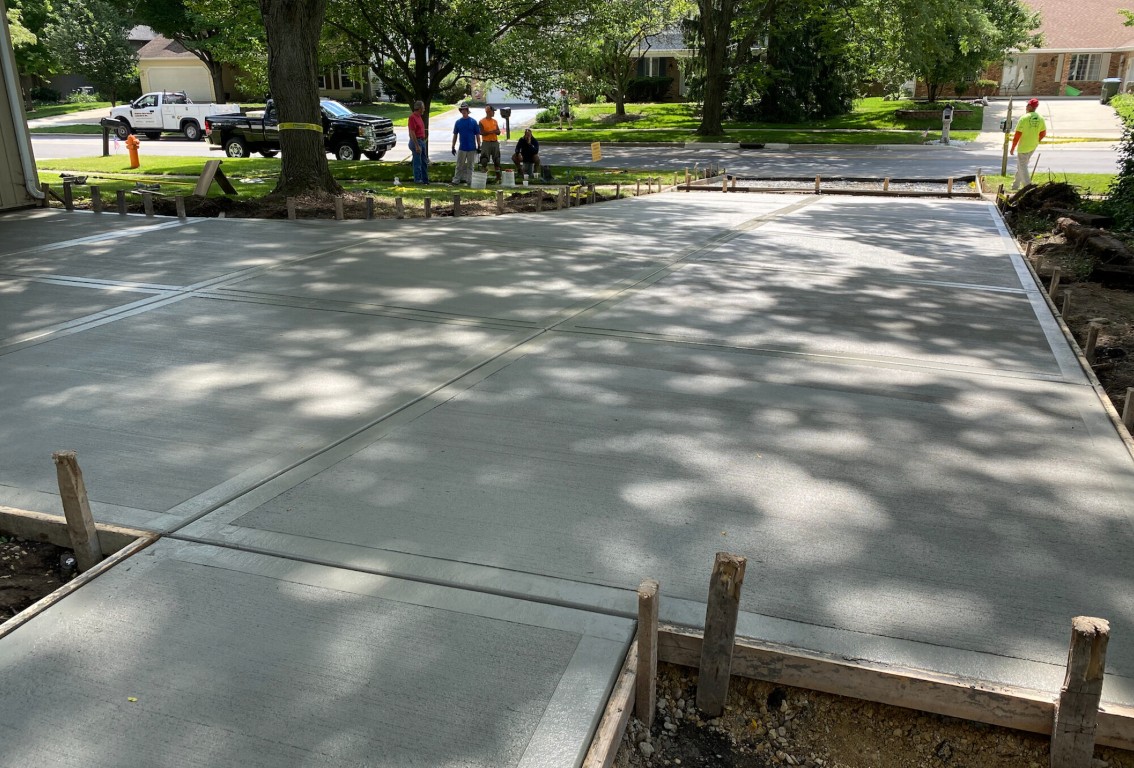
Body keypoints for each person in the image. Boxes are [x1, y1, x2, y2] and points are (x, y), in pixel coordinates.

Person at [1010, 98, 1047, 190]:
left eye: (1027, 105)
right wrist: (1036, 140)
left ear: (1030, 107)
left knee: (1022, 166)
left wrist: (1013, 147)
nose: (1026, 107)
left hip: (1023, 147)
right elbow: (1043, 133)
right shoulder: (1041, 118)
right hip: (1033, 146)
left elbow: (1017, 135)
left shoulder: (1024, 118)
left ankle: (1028, 187)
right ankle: (1015, 186)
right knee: (1021, 165)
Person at [450, 102, 480, 184]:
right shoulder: (458, 122)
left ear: (467, 110)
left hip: (472, 148)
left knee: (470, 166)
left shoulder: (473, 122)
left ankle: (470, 181)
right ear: (461, 111)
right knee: (459, 165)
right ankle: (456, 180)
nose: (463, 111)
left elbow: (477, 135)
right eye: (462, 110)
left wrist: (479, 146)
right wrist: (453, 146)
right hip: (462, 147)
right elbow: (455, 135)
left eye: (465, 110)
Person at [478, 105, 504, 182]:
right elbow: (482, 133)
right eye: (493, 111)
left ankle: (498, 177)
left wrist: (495, 132)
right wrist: (492, 132)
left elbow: (498, 132)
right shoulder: (482, 121)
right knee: (484, 160)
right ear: (488, 112)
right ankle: (483, 178)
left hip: (495, 142)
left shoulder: (495, 121)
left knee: (497, 160)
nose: (494, 113)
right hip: (486, 143)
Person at [408, 100, 430, 183]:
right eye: (423, 107)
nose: (424, 109)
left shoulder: (419, 117)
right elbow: (412, 132)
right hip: (416, 141)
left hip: (422, 141)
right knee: (418, 162)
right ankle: (418, 179)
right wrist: (417, 145)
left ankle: (425, 179)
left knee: (424, 161)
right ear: (419, 108)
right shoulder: (412, 117)